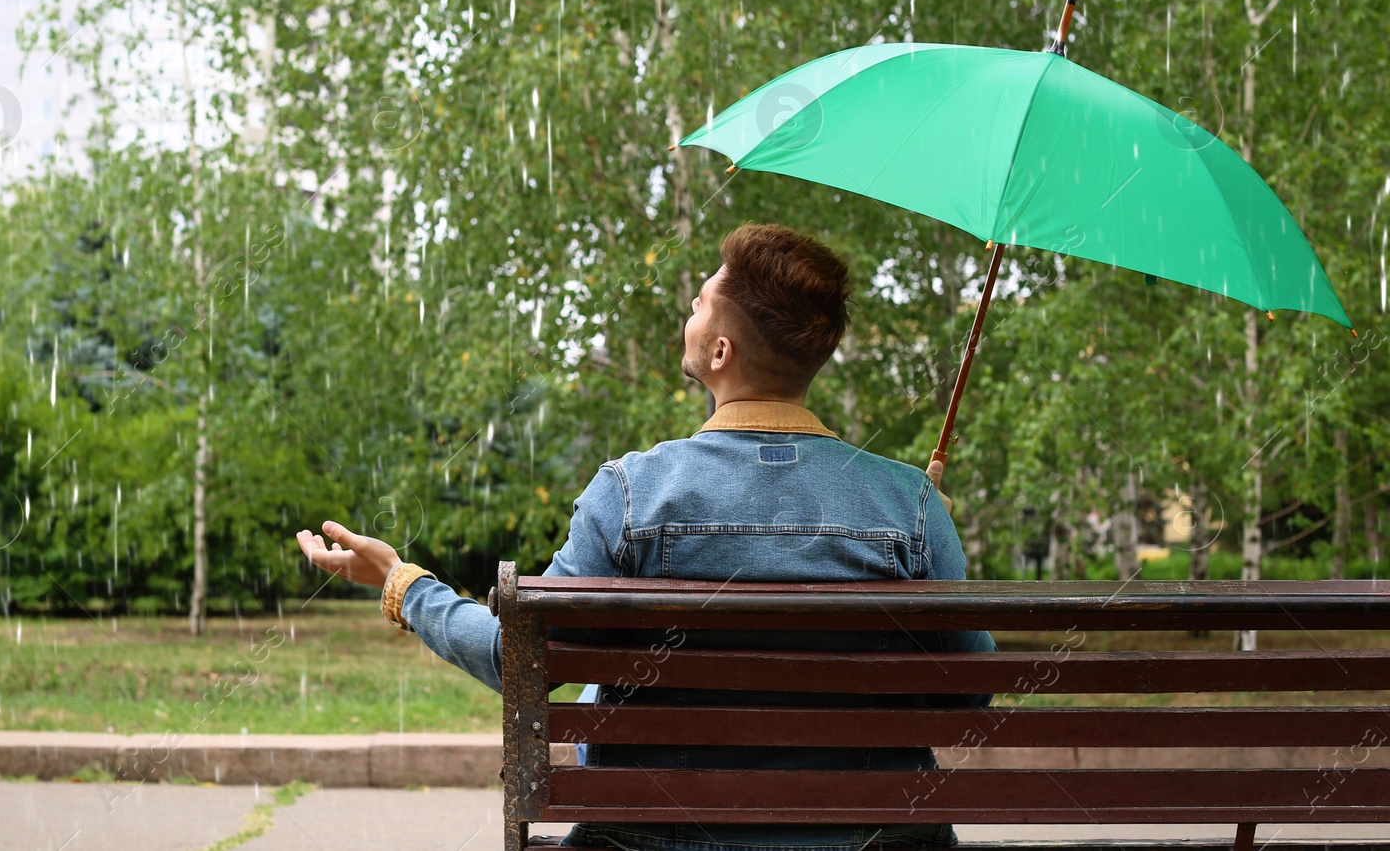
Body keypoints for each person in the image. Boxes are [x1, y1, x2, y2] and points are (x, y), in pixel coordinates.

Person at [297, 222, 995, 850]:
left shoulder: (633, 492)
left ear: (720, 349)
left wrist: (404, 584)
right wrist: (928, 515)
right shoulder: (910, 504)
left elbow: (521, 663)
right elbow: (968, 696)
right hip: (870, 839)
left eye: (699, 300)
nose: (688, 309)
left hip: (651, 837)